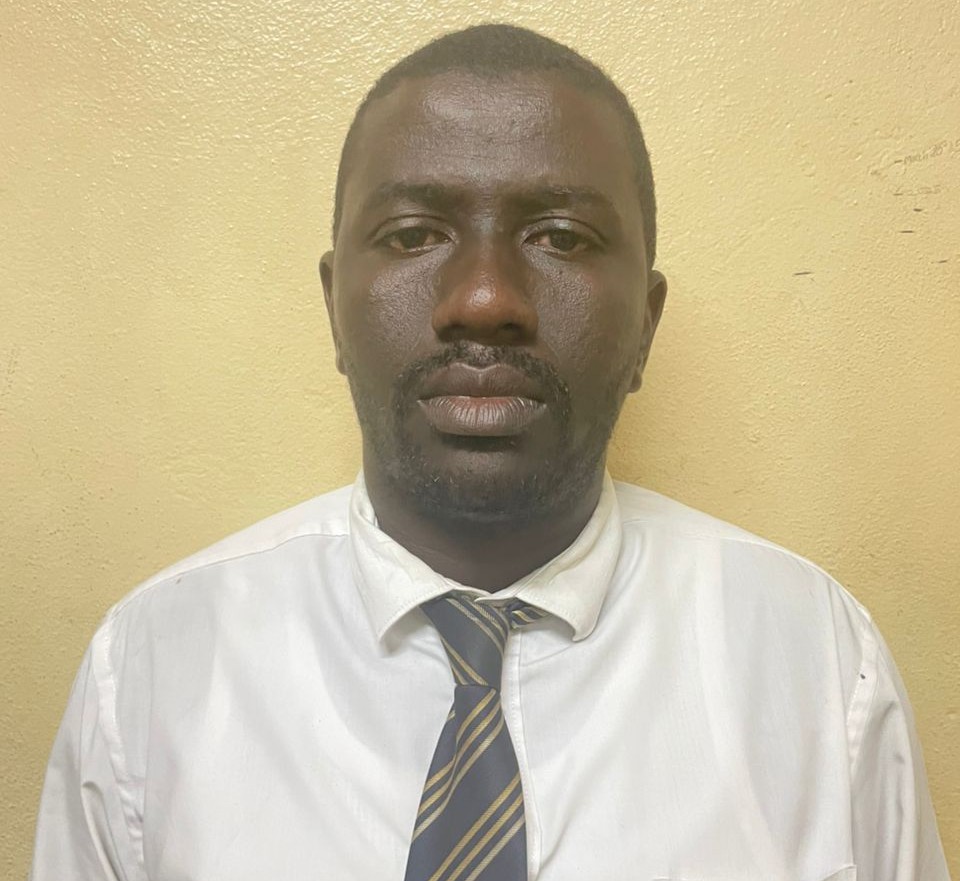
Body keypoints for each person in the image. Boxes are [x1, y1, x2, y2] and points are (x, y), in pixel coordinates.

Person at [30, 23, 949, 881]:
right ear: (334, 308)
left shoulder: (818, 666)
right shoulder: (150, 672)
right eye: (413, 235)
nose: (483, 299)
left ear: (646, 323)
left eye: (560, 238)